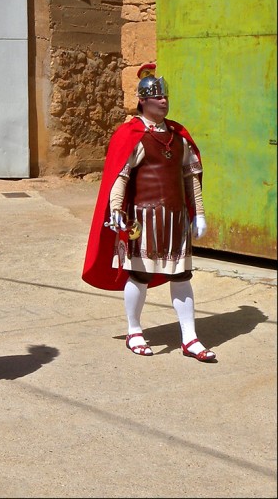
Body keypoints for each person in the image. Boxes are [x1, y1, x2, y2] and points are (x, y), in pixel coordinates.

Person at [82, 63, 215, 362]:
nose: (164, 101)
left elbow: (190, 176)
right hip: (143, 220)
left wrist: (200, 213)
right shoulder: (132, 135)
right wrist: (116, 209)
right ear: (143, 100)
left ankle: (190, 338)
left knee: (182, 275)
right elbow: (121, 175)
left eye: (166, 96)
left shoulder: (179, 136)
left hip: (176, 220)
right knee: (139, 275)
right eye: (157, 97)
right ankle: (134, 330)